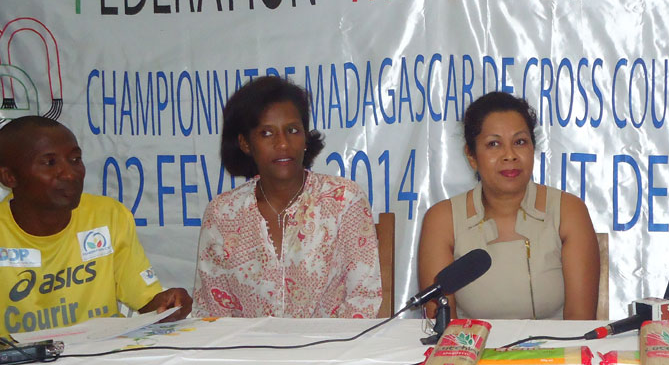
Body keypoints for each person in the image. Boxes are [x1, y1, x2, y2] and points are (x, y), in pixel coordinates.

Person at [193, 76, 381, 318]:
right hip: (246, 343)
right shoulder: (222, 214)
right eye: (266, 133)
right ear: (245, 143)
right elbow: (211, 312)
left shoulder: (343, 201)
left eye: (292, 130)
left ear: (305, 138)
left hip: (332, 342)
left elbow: (363, 301)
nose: (282, 144)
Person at [0, 116, 191, 336]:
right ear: (9, 177)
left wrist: (169, 303)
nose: (70, 174)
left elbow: (146, 301)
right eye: (50, 163)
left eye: (75, 159)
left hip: (102, 351)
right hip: (19, 357)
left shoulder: (108, 216)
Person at [418, 92, 600, 320]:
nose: (509, 155)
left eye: (520, 142)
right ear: (471, 156)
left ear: (533, 148)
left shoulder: (568, 211)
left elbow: (580, 322)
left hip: (554, 344)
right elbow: (441, 326)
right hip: (470, 343)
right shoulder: (443, 219)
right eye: (494, 144)